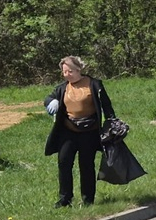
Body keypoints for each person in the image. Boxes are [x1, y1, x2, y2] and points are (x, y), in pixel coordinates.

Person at [43, 56, 116, 207]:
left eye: (70, 71)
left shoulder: (94, 84)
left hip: (89, 132)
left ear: (79, 69)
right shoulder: (62, 88)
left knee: (86, 165)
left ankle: (88, 200)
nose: (67, 75)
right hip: (68, 131)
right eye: (64, 72)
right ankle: (65, 199)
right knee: (64, 163)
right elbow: (48, 98)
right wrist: (51, 102)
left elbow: (106, 106)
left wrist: (112, 123)